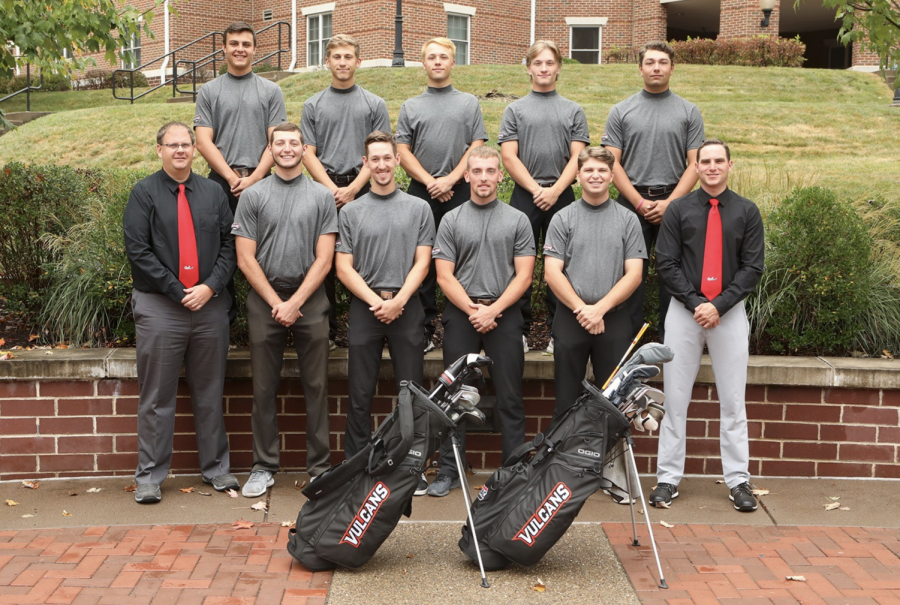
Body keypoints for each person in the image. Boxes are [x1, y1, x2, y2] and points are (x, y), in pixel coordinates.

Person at [123, 121, 239, 504]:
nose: (180, 151)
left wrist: (209, 288)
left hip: (209, 306)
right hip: (160, 307)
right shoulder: (143, 194)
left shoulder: (212, 193)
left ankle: (217, 470)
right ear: (159, 150)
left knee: (210, 392)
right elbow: (138, 251)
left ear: (195, 149)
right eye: (172, 145)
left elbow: (229, 245)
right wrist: (177, 290)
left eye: (186, 144)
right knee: (157, 395)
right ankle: (150, 477)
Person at [650, 139, 764, 512]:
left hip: (728, 314)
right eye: (705, 161)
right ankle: (667, 478)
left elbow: (753, 268)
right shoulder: (678, 210)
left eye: (719, 161)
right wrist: (698, 304)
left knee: (733, 401)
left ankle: (738, 480)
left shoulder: (747, 212)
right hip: (685, 313)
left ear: (731, 165)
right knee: (675, 400)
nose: (712, 167)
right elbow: (665, 263)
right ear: (696, 168)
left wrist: (718, 305)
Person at [232, 122, 337, 498]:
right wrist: (278, 303)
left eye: (294, 143)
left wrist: (295, 303)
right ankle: (263, 466)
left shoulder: (323, 197)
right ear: (270, 149)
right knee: (263, 386)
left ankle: (320, 468)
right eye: (281, 143)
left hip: (311, 299)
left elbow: (325, 260)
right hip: (265, 300)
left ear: (304, 149)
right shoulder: (253, 196)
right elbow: (245, 259)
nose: (288, 148)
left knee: (317, 385)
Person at [427, 146, 535, 497]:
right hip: (462, 314)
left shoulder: (517, 220)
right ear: (467, 175)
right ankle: (449, 470)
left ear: (500, 176)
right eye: (478, 171)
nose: (484, 177)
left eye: (491, 171)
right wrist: (475, 310)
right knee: (454, 396)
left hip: (504, 314)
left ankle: (512, 471)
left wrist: (492, 311)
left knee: (510, 396)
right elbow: (444, 276)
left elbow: (524, 277)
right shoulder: (452, 220)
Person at [335, 131, 434, 492]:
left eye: (386, 158)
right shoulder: (352, 211)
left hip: (407, 307)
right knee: (360, 392)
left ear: (397, 160)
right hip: (366, 307)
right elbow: (343, 267)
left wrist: (398, 302)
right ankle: (356, 465)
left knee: (411, 393)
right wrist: (377, 302)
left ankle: (412, 466)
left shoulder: (418, 208)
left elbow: (423, 263)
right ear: (366, 164)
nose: (380, 165)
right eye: (373, 159)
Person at [602, 41, 704, 341]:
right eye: (650, 62)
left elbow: (695, 164)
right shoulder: (622, 111)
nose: (656, 67)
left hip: (676, 202)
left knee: (673, 273)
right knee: (627, 273)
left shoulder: (689, 111)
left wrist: (671, 203)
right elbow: (612, 163)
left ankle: (671, 337)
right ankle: (626, 338)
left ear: (672, 68)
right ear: (640, 68)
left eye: (662, 62)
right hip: (630, 202)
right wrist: (638, 202)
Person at [396, 37, 488, 353]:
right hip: (421, 193)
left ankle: (459, 327)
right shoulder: (411, 106)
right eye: (431, 57)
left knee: (461, 261)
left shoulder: (468, 103)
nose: (437, 61)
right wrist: (431, 181)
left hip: (461, 191)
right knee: (419, 263)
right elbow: (402, 151)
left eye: (443, 57)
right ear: (423, 63)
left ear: (452, 62)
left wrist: (450, 179)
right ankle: (423, 330)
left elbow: (477, 145)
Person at [499, 40, 589, 354]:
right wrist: (537, 190)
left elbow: (578, 157)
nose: (544, 68)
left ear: (558, 68)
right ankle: (519, 332)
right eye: (538, 63)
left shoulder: (573, 110)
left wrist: (554, 191)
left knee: (562, 267)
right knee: (516, 266)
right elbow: (509, 157)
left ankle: (558, 333)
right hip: (525, 197)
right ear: (528, 68)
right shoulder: (515, 109)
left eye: (550, 63)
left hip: (562, 196)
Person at [302, 34, 391, 346]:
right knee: (323, 259)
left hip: (363, 187)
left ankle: (370, 326)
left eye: (348, 57)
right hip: (323, 190)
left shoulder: (373, 104)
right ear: (327, 62)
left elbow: (380, 153)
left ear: (358, 62)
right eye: (336, 57)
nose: (342, 62)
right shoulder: (312, 105)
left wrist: (353, 188)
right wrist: (331, 189)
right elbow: (307, 152)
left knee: (366, 257)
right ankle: (326, 331)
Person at [543, 147, 645, 417]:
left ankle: (608, 461)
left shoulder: (628, 220)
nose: (595, 175)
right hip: (571, 318)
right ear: (577, 176)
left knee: (614, 404)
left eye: (602, 170)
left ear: (612, 176)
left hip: (614, 320)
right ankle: (564, 459)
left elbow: (634, 274)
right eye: (589, 170)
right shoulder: (562, 218)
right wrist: (583, 309)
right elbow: (552, 273)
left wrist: (599, 309)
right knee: (565, 402)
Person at [195, 21, 287, 216]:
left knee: (264, 244)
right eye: (234, 44)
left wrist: (255, 178)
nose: (240, 49)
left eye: (246, 44)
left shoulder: (271, 91)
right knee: (221, 244)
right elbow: (203, 142)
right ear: (224, 48)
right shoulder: (208, 91)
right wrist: (231, 178)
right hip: (220, 182)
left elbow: (277, 141)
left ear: (254, 49)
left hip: (262, 180)